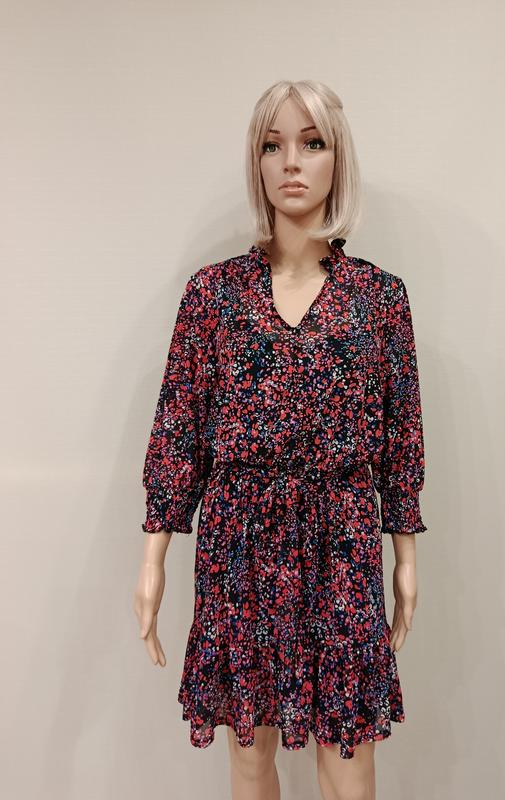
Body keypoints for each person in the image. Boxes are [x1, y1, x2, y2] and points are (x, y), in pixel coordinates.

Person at [133, 79, 428, 800]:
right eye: (273, 145)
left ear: (338, 159)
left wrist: (405, 554)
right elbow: (179, 427)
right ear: (256, 162)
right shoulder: (213, 295)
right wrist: (153, 557)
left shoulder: (379, 298)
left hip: (342, 539)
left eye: (312, 142)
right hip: (240, 543)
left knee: (348, 757)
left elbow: (401, 435)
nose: (291, 161)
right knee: (249, 753)